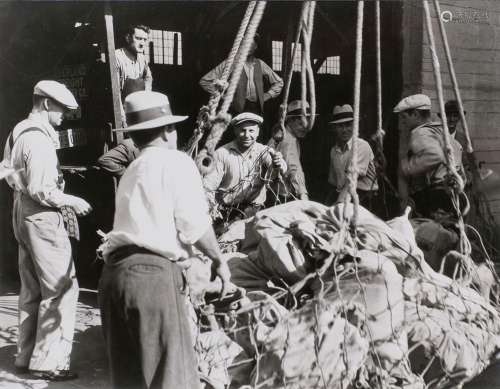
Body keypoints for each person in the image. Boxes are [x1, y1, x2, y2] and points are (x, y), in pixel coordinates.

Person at [97, 90, 231, 389]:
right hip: (150, 278)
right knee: (169, 378)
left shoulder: (133, 169)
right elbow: (195, 226)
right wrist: (219, 261)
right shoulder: (176, 162)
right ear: (169, 130)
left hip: (112, 277)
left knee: (129, 379)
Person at [3, 80, 92, 380]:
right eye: (61, 109)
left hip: (21, 211)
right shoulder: (39, 140)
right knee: (61, 288)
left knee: (31, 288)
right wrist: (72, 200)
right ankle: (49, 363)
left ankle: (25, 357)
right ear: (44, 103)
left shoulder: (18, 131)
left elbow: (5, 170)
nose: (63, 115)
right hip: (42, 214)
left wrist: (24, 188)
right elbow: (43, 189)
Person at [202, 112, 287, 220]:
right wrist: (211, 210)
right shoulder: (221, 154)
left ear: (257, 132)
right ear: (235, 131)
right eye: (242, 130)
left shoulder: (264, 151)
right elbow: (208, 186)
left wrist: (277, 163)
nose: (247, 135)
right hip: (226, 213)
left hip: (254, 212)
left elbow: (280, 169)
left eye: (251, 131)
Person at [394, 94, 466, 218]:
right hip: (455, 196)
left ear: (415, 114)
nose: (402, 122)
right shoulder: (441, 130)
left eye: (404, 117)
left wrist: (405, 168)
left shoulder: (420, 132)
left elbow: (435, 156)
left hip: (439, 198)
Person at [199, 35, 283, 115]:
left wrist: (268, 95)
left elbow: (279, 82)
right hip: (236, 109)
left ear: (255, 47)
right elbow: (205, 81)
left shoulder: (260, 64)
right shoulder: (231, 63)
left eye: (251, 44)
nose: (247, 47)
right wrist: (222, 96)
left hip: (256, 109)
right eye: (245, 44)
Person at [326, 104, 379, 211]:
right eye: (340, 126)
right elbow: (333, 182)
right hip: (343, 194)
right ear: (334, 128)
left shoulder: (362, 146)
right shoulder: (334, 151)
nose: (344, 130)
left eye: (348, 125)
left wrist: (339, 203)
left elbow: (352, 178)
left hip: (365, 198)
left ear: (354, 126)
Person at [267, 100, 313, 202]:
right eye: (300, 123)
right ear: (290, 121)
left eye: (307, 123)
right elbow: (294, 168)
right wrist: (303, 194)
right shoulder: (288, 140)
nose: (305, 127)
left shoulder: (279, 135)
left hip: (272, 192)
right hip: (280, 196)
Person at [115, 24, 153, 125]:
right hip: (121, 112)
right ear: (128, 38)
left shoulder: (142, 58)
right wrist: (122, 117)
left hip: (138, 110)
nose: (142, 43)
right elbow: (115, 92)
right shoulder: (117, 57)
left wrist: (146, 96)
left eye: (145, 40)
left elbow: (148, 78)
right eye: (138, 38)